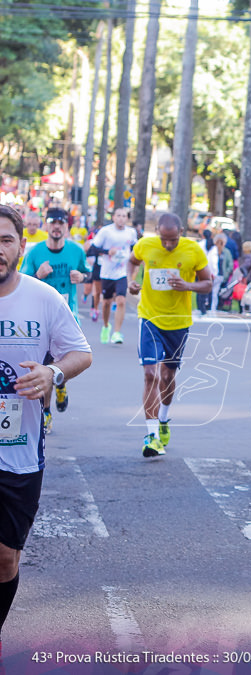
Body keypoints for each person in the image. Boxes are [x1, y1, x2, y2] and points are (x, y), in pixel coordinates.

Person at [0, 204, 92, 649]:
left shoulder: (43, 298)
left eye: (6, 241)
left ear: (21, 246)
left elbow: (80, 353)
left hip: (18, 449)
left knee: (4, 558)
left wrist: (53, 375)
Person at [126, 213, 213, 458]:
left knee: (167, 376)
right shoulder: (145, 245)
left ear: (181, 232)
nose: (167, 245)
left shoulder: (192, 250)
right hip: (150, 318)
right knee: (150, 374)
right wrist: (131, 281)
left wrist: (188, 286)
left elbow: (208, 283)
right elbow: (131, 261)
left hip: (178, 322)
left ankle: (163, 418)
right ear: (157, 233)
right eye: (164, 239)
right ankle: (152, 436)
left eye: (172, 240)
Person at [19, 207, 88, 432]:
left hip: (69, 316)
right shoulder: (35, 252)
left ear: (67, 226)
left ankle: (61, 385)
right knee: (45, 366)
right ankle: (46, 412)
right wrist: (37, 275)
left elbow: (87, 272)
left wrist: (82, 276)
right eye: (52, 222)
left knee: (61, 364)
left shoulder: (76, 251)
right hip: (40, 319)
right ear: (46, 226)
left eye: (61, 222)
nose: (57, 226)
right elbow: (19, 280)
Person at [88, 207, 138, 344]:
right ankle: (105, 326)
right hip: (107, 272)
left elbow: (135, 248)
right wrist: (107, 251)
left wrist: (136, 262)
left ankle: (117, 333)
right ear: (113, 217)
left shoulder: (131, 232)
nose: (121, 218)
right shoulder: (106, 231)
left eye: (124, 216)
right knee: (106, 303)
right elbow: (93, 248)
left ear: (127, 218)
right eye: (118, 215)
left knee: (121, 300)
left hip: (122, 272)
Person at [207, 234, 232, 311]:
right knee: (214, 293)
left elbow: (230, 265)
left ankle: (211, 307)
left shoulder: (223, 252)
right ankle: (213, 307)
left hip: (217, 275)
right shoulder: (217, 251)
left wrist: (226, 274)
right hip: (218, 275)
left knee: (213, 293)